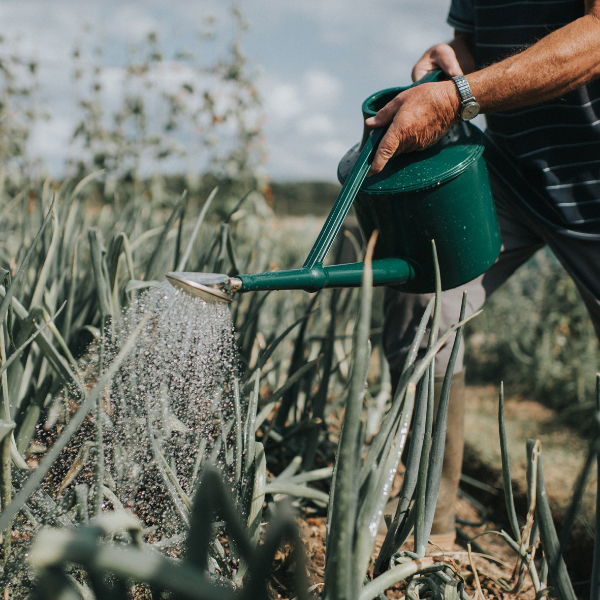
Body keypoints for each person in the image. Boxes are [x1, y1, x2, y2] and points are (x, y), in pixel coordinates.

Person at [370, 0, 600, 545]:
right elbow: (472, 41)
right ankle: (430, 530)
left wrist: (459, 97)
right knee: (425, 295)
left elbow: (596, 38)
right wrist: (454, 64)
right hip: (512, 174)